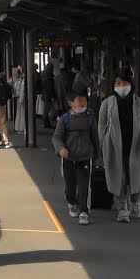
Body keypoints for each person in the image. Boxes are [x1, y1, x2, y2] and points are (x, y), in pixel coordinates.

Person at [98, 67, 140, 223]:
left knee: (136, 177)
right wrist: (100, 145)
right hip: (114, 146)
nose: (121, 86)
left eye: (125, 83)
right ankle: (122, 207)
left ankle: (135, 201)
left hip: (136, 146)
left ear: (131, 84)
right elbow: (101, 125)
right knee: (119, 177)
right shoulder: (108, 103)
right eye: (118, 83)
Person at [54, 91, 99, 225]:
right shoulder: (64, 119)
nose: (83, 103)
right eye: (79, 100)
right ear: (71, 103)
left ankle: (84, 211)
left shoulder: (90, 119)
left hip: (85, 157)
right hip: (68, 158)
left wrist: (97, 154)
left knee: (84, 186)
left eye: (84, 100)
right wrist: (60, 148)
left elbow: (95, 137)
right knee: (70, 186)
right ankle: (71, 202)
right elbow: (57, 137)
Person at [41, 61, 58, 129]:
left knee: (46, 110)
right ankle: (46, 123)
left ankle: (46, 123)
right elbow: (50, 88)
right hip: (48, 96)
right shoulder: (49, 78)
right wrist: (53, 96)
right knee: (47, 110)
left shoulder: (43, 76)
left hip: (44, 94)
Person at [12, 66, 26, 134]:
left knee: (22, 113)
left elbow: (23, 89)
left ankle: (22, 128)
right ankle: (20, 128)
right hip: (19, 97)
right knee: (20, 113)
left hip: (21, 98)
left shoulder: (23, 78)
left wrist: (21, 98)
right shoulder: (21, 77)